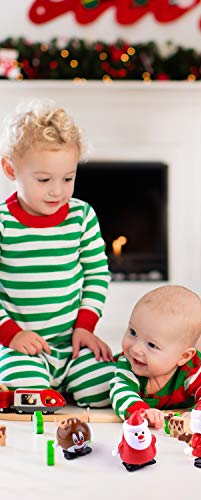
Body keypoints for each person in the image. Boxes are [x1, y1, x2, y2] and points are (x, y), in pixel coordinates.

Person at [0, 100, 114, 406]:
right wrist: (11, 334)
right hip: (19, 344)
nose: (57, 191)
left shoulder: (82, 216)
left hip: (71, 344)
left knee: (107, 386)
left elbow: (97, 274)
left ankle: (65, 383)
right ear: (11, 168)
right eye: (44, 180)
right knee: (26, 390)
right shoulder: (3, 223)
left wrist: (85, 327)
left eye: (68, 178)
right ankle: (37, 387)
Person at [110, 285, 201, 428]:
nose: (135, 349)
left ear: (183, 357)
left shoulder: (193, 369)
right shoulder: (128, 362)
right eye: (133, 332)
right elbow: (120, 392)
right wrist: (141, 411)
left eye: (152, 345)